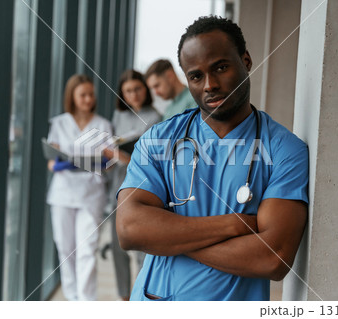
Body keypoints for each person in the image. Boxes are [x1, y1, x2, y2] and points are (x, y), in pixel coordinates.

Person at [116, 16, 309, 301]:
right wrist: (234, 225)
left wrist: (166, 236)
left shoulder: (284, 149)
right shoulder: (160, 140)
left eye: (220, 67)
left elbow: (272, 258)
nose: (210, 84)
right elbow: (130, 229)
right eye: (196, 76)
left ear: (246, 61)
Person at [46, 74, 112, 301]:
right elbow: (51, 160)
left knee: (87, 250)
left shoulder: (103, 124)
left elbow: (109, 162)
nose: (87, 99)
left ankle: (86, 303)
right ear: (72, 97)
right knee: (66, 250)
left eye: (91, 95)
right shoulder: (59, 123)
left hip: (91, 194)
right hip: (63, 193)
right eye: (82, 95)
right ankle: (72, 299)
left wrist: (101, 160)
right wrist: (58, 163)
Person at [106, 69, 161, 301]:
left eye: (137, 89)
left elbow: (152, 160)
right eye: (128, 91)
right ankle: (123, 298)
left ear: (145, 89)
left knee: (140, 249)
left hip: (142, 191)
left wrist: (120, 155)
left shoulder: (156, 119)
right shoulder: (118, 117)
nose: (134, 94)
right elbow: (112, 154)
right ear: (122, 95)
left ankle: (140, 298)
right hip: (116, 189)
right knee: (118, 249)